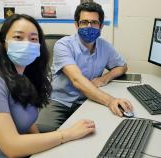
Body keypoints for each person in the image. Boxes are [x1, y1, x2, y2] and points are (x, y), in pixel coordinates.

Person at [0, 14, 95, 158]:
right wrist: (66, 134)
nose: (27, 43)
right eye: (18, 37)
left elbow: (28, 124)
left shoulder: (25, 78)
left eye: (33, 39)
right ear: (4, 42)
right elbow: (11, 147)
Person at [36, 2, 133, 133]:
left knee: (100, 132)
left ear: (101, 26)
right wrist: (110, 101)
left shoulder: (105, 46)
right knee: (43, 131)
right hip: (59, 100)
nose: (89, 26)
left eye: (94, 22)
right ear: (76, 24)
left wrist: (105, 78)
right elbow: (77, 80)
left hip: (88, 100)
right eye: (84, 22)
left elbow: (122, 66)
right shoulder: (63, 45)